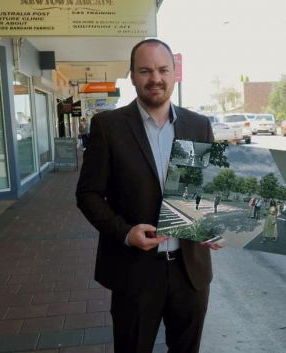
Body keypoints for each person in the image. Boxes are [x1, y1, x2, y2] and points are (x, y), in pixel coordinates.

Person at [76, 39, 221, 353]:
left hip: (190, 271)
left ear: (173, 74)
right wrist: (125, 233)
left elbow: (208, 191)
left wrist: (213, 222)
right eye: (145, 70)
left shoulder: (198, 125)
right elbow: (87, 193)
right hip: (134, 272)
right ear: (132, 76)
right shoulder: (108, 126)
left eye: (162, 69)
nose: (155, 78)